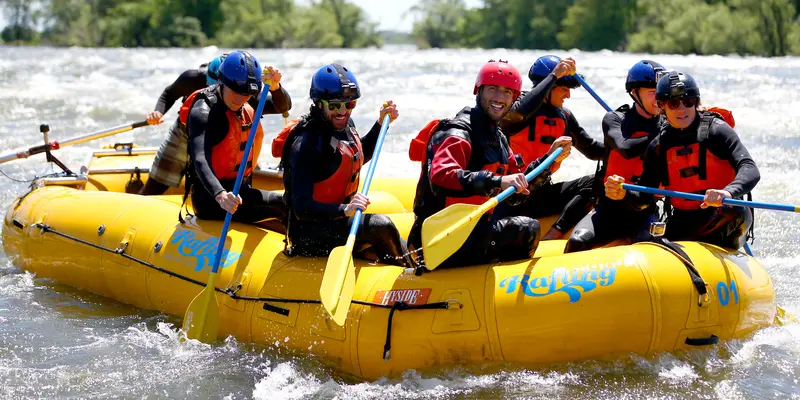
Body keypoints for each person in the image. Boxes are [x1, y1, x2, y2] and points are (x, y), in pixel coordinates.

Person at [407, 60, 571, 269]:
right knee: (525, 228)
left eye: (507, 92)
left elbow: (518, 191)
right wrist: (497, 180)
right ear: (479, 90)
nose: (499, 98)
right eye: (493, 89)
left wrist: (548, 160)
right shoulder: (458, 133)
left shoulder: (498, 137)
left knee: (525, 224)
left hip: (470, 231)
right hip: (439, 238)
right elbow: (441, 177)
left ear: (514, 98)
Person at [274, 63, 411, 267]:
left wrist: (381, 125)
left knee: (393, 237)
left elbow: (357, 157)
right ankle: (408, 279)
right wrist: (345, 209)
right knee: (380, 225)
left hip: (337, 222)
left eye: (350, 104)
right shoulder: (307, 144)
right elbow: (302, 208)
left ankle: (412, 268)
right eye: (335, 105)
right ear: (318, 103)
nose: (343, 111)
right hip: (309, 234)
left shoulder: (345, 125)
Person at [605, 71, 759, 249]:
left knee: (734, 211)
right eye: (673, 103)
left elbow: (749, 167)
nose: (682, 109)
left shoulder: (716, 131)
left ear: (696, 102)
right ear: (661, 106)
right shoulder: (658, 146)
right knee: (657, 241)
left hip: (724, 212)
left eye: (688, 102)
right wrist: (623, 193)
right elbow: (644, 197)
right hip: (685, 220)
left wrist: (728, 192)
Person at [139, 54, 292, 195]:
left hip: (229, 138)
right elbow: (169, 93)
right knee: (156, 184)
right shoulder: (192, 78)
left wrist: (276, 88)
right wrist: (158, 112)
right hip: (185, 133)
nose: (214, 92)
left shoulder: (242, 90)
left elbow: (282, 106)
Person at [499, 55, 605, 240]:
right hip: (509, 196)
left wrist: (630, 147)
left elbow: (593, 150)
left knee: (595, 182)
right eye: (564, 89)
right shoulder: (513, 109)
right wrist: (554, 76)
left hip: (541, 193)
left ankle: (554, 234)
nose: (568, 95)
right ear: (548, 86)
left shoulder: (564, 116)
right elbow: (518, 113)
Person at [565, 60, 665, 253]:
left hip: (645, 209)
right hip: (609, 210)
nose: (658, 99)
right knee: (578, 243)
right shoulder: (615, 120)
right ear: (635, 93)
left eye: (660, 93)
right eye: (652, 92)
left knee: (649, 248)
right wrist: (665, 134)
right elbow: (625, 148)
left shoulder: (670, 122)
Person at [185, 50, 287, 225]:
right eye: (236, 92)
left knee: (284, 203)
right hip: (210, 199)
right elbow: (200, 159)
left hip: (239, 191)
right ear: (221, 81)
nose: (240, 99)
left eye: (246, 94)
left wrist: (276, 87)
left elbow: (282, 106)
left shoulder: (245, 96)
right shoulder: (203, 110)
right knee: (279, 207)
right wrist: (220, 195)